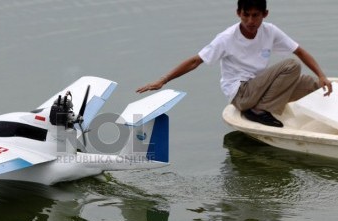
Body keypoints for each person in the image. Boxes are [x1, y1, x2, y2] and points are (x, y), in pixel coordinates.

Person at [136, 0, 333, 128]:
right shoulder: (227, 38)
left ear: (265, 14)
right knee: (291, 66)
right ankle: (258, 111)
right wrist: (163, 80)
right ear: (238, 13)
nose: (250, 20)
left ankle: (264, 108)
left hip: (258, 88)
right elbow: (196, 61)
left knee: (311, 84)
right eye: (246, 15)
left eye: (255, 15)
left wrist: (322, 76)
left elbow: (299, 50)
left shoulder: (270, 31)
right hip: (241, 94)